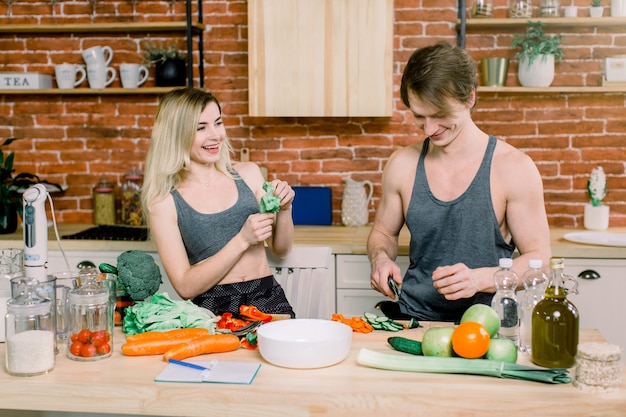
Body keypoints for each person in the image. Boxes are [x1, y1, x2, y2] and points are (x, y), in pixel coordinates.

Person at [367, 42, 551, 322]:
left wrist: (480, 279)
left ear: (469, 98)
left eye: (440, 115)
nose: (429, 129)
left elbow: (540, 263)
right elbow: (384, 232)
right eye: (419, 116)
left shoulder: (514, 168)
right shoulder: (402, 164)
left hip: (488, 326)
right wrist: (380, 258)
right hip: (413, 320)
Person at [142, 87, 296, 317]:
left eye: (218, 122)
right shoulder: (163, 202)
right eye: (201, 128)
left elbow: (281, 249)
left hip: (268, 298)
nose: (216, 135)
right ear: (177, 134)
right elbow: (184, 287)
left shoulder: (248, 174)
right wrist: (243, 239)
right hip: (211, 313)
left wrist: (285, 209)